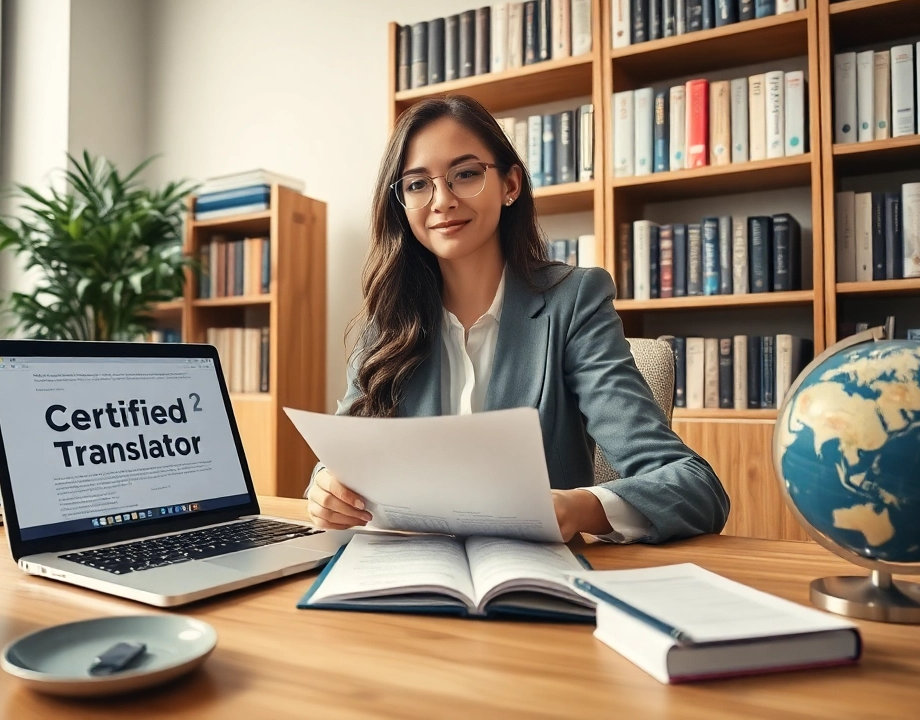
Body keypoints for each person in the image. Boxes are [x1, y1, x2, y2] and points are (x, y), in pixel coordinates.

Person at [307, 95, 729, 544]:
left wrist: (577, 506)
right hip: (403, 576)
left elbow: (693, 486)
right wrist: (325, 489)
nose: (442, 200)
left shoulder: (573, 302)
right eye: (417, 184)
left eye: (465, 174)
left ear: (510, 184)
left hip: (533, 582)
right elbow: (340, 461)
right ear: (401, 204)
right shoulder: (388, 321)